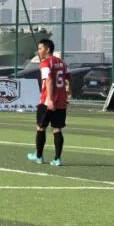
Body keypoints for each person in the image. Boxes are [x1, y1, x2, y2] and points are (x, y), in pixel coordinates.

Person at [28, 38, 70, 167]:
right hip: (61, 101)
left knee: (41, 127)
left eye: (40, 48)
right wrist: (69, 91)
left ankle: (39, 156)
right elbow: (68, 78)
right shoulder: (62, 63)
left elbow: (49, 80)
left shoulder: (46, 63)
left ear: (47, 49)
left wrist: (50, 99)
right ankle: (57, 159)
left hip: (47, 101)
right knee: (57, 129)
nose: (38, 51)